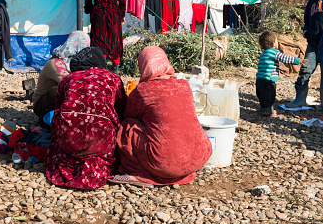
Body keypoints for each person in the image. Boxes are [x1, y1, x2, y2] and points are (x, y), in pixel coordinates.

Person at [111, 46, 212, 188]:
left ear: (144, 66)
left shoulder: (143, 90)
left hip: (164, 162)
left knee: (126, 127)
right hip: (200, 156)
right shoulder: (184, 85)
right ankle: (181, 171)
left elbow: (128, 115)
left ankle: (138, 174)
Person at [45, 47, 127, 189]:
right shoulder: (113, 78)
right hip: (100, 139)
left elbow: (58, 106)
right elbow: (121, 109)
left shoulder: (68, 79)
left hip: (68, 140)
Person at [32, 31, 90, 119]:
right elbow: (70, 83)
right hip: (42, 106)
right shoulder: (55, 63)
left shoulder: (75, 63)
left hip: (60, 103)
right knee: (59, 89)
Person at [84, 0, 126, 74]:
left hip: (98, 16)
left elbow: (87, 1)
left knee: (99, 40)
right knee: (114, 40)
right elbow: (122, 1)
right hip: (113, 16)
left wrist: (90, 10)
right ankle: (115, 66)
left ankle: (100, 66)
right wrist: (121, 15)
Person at [256, 31, 306, 117]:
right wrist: (298, 60)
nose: (277, 43)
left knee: (262, 96)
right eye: (276, 41)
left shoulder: (263, 54)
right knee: (270, 97)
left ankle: (264, 109)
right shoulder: (273, 52)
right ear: (273, 43)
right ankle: (269, 112)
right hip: (268, 80)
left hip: (259, 80)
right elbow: (284, 58)